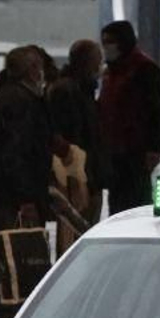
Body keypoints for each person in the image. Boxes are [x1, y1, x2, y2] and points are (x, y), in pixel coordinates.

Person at [0, 46, 55, 318]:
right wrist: (26, 198)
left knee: (1, 255)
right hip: (11, 197)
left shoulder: (3, 100)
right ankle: (4, 314)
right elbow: (17, 154)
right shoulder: (24, 103)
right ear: (33, 70)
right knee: (15, 255)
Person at [97, 20, 160, 214]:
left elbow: (156, 112)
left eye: (110, 41)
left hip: (135, 152)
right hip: (114, 152)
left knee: (136, 203)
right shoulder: (111, 71)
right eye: (104, 42)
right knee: (117, 204)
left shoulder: (144, 69)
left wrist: (153, 149)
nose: (106, 47)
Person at [48, 39, 107, 231]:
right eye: (98, 61)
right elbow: (77, 138)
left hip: (86, 175)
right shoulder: (71, 91)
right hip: (79, 177)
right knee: (78, 230)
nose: (100, 67)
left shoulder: (77, 89)